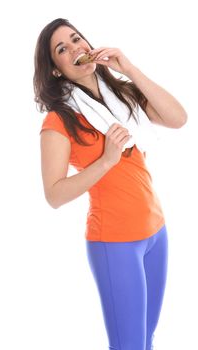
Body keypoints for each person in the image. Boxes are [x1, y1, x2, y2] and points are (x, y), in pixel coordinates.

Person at [33, 18, 187, 350]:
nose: (76, 48)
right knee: (129, 345)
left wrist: (129, 68)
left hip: (156, 233)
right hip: (114, 243)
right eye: (63, 48)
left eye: (77, 39)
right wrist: (106, 160)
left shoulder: (119, 93)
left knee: (145, 340)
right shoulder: (58, 119)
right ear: (56, 70)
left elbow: (178, 118)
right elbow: (54, 195)